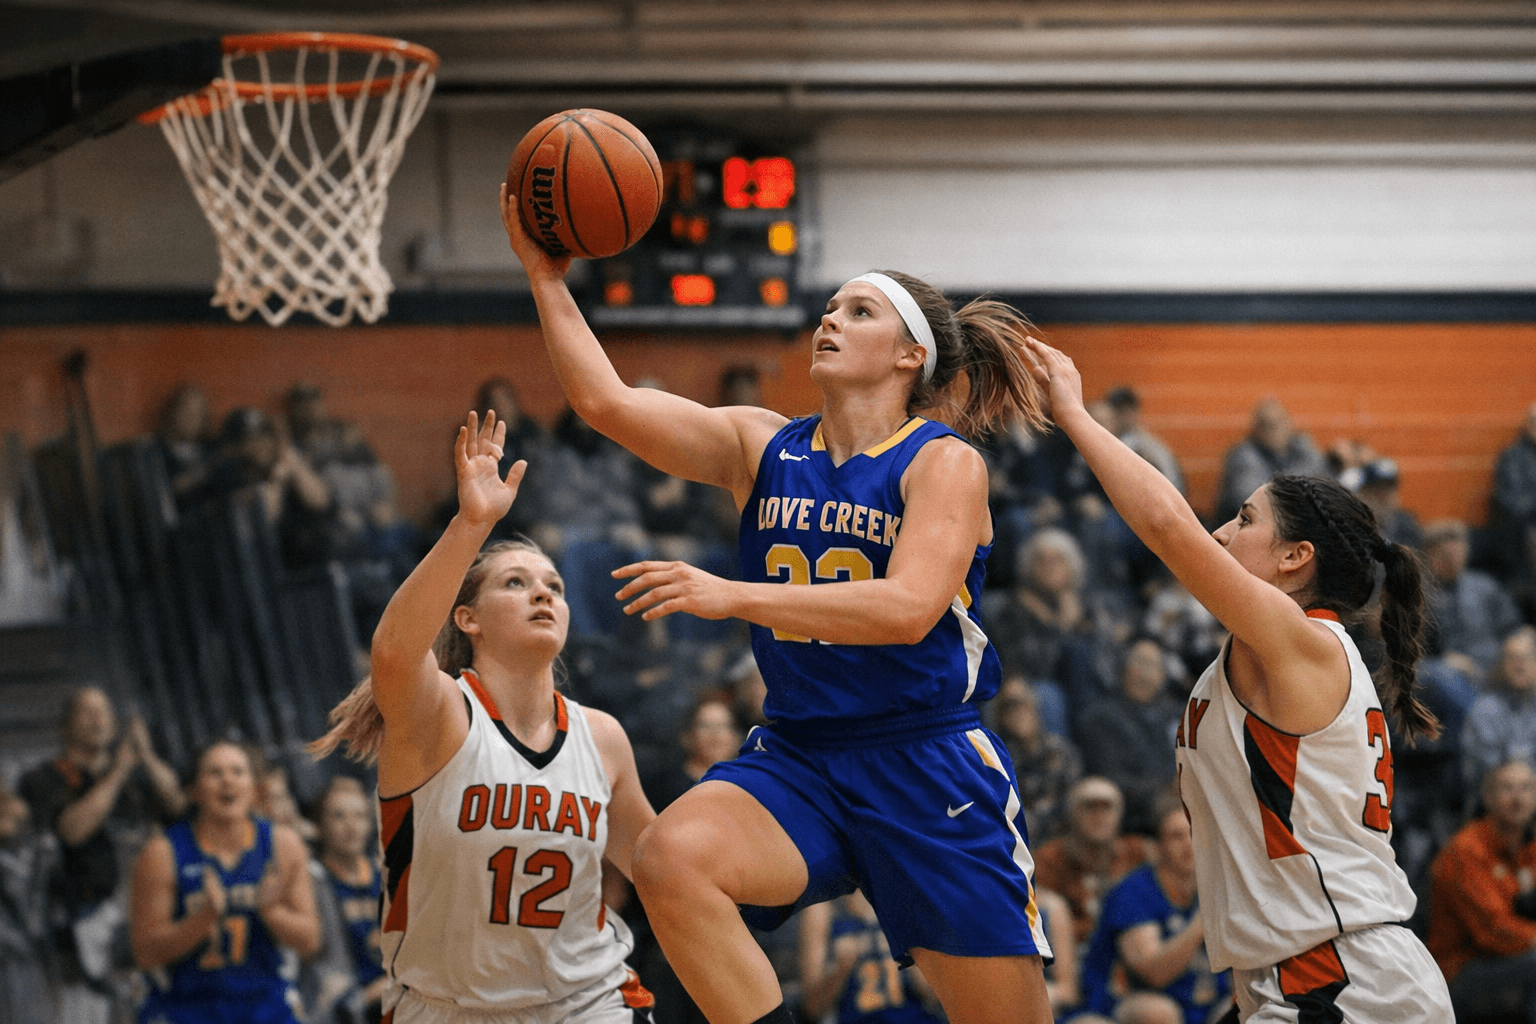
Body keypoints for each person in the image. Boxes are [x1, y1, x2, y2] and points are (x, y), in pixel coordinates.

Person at [503, 188, 1056, 1024]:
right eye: (829, 309)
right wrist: (546, 279)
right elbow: (607, 404)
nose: (828, 321)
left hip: (925, 763)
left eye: (859, 311)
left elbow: (907, 608)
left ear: (910, 356)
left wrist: (733, 596)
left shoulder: (942, 463)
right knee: (669, 858)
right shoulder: (761, 444)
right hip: (801, 754)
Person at [1023, 336, 1452, 1021]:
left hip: (1344, 981)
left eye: (1245, 519)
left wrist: (1073, 413)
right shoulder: (1260, 660)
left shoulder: (1303, 646)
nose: (1220, 533)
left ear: (1294, 557)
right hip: (1290, 976)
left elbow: (1168, 527)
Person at [309, 410, 657, 1024]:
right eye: (516, 583)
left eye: (553, 585)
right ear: (467, 619)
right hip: (448, 1008)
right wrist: (472, 525)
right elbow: (393, 650)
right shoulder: (440, 713)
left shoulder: (603, 738)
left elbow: (661, 873)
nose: (544, 593)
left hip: (589, 1003)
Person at [18, 687, 185, 1024]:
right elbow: (71, 830)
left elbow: (177, 804)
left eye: (105, 712)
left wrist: (146, 755)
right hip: (88, 920)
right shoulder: (43, 778)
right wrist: (119, 769)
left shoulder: (135, 776)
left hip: (149, 909)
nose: (99, 720)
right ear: (65, 725)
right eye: (88, 712)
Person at [130, 739, 320, 1024]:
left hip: (266, 1005)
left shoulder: (283, 843)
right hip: (190, 1008)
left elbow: (310, 942)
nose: (227, 781)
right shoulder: (162, 852)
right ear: (194, 790)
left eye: (238, 771)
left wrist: (271, 912)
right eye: (214, 773)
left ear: (255, 789)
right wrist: (201, 919)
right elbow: (145, 953)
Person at [1078, 799, 1230, 1024]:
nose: (1189, 843)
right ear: (1157, 847)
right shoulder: (1133, 892)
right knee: (1159, 1013)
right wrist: (1201, 924)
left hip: (1201, 1005)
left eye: (1194, 833)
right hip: (1122, 1005)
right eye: (1177, 836)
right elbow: (1154, 973)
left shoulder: (1212, 886)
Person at [1427, 758, 1536, 1023]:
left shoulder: (1529, 844)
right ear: (1487, 797)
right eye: (1507, 788)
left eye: (1526, 788)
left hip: (1514, 956)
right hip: (1460, 969)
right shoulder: (1466, 850)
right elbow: (1493, 932)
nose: (1517, 798)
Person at [1075, 639, 1182, 835]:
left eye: (1155, 665)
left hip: (1180, 807)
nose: (1147, 671)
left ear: (1163, 675)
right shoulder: (1101, 718)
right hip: (1135, 818)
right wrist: (1168, 787)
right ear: (1124, 668)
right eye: (1141, 662)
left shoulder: (1175, 714)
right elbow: (1110, 779)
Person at [304, 777, 387, 1024]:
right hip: (344, 1008)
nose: (352, 826)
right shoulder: (312, 881)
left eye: (360, 816)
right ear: (319, 825)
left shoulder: (386, 875)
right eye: (339, 816)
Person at [1031, 777, 1146, 949]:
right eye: (1090, 807)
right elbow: (1037, 920)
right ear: (1072, 814)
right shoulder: (1048, 860)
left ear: (1119, 814)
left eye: (1107, 808)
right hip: (1068, 953)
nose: (1099, 817)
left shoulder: (1136, 853)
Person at [799, 890, 944, 1024]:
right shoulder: (822, 908)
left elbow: (936, 997)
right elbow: (812, 1008)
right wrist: (840, 969)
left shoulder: (904, 898)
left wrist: (913, 953)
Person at [1212, 398, 1328, 526]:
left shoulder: (1301, 447)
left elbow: (1322, 482)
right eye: (1267, 425)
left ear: (1289, 423)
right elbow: (1253, 500)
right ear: (1256, 429)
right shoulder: (1243, 455)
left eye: (1279, 422)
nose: (1274, 429)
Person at [1460, 625, 1536, 801]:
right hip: (1497, 801)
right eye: (1513, 658)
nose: (1520, 664)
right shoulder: (1484, 709)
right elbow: (1478, 772)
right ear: (1501, 664)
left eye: (1527, 657)